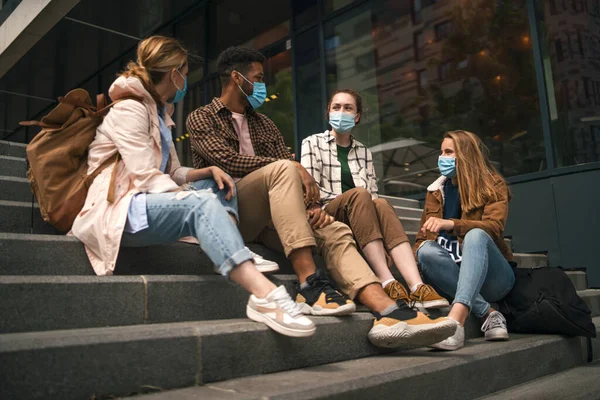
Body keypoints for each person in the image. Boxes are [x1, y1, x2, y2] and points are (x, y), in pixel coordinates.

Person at [187, 46, 457, 348]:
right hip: (234, 212)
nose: (263, 85)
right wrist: (292, 168)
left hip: (278, 217)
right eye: (258, 77)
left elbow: (289, 174)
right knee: (284, 169)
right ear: (237, 77)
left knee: (335, 229)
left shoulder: (265, 124)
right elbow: (227, 161)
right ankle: (309, 284)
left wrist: (311, 205)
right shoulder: (202, 117)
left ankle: (390, 312)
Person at [70, 36, 315, 338]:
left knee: (213, 179)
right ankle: (265, 296)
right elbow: (145, 176)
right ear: (173, 73)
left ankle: (228, 247)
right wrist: (193, 197)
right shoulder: (129, 110)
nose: (186, 80)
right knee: (201, 202)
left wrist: (207, 171)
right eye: (184, 73)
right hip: (121, 210)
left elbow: (172, 172)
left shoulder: (159, 115)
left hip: (148, 202)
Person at [301, 89, 449, 310]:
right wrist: (353, 198)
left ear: (357, 116)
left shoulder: (364, 151)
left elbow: (374, 195)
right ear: (329, 112)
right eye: (336, 107)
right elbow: (311, 193)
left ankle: (416, 285)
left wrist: (384, 242)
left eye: (348, 108)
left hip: (363, 214)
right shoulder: (312, 143)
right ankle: (386, 279)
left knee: (380, 203)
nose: (342, 112)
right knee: (360, 194)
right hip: (328, 213)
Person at [414, 130, 516, 350]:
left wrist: (452, 224)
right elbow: (421, 239)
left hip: (494, 279)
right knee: (425, 250)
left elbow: (494, 227)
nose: (442, 157)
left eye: (448, 152)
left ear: (465, 155)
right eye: (441, 152)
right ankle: (488, 313)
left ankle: (456, 322)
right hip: (453, 278)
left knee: (476, 234)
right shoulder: (435, 191)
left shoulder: (493, 184)